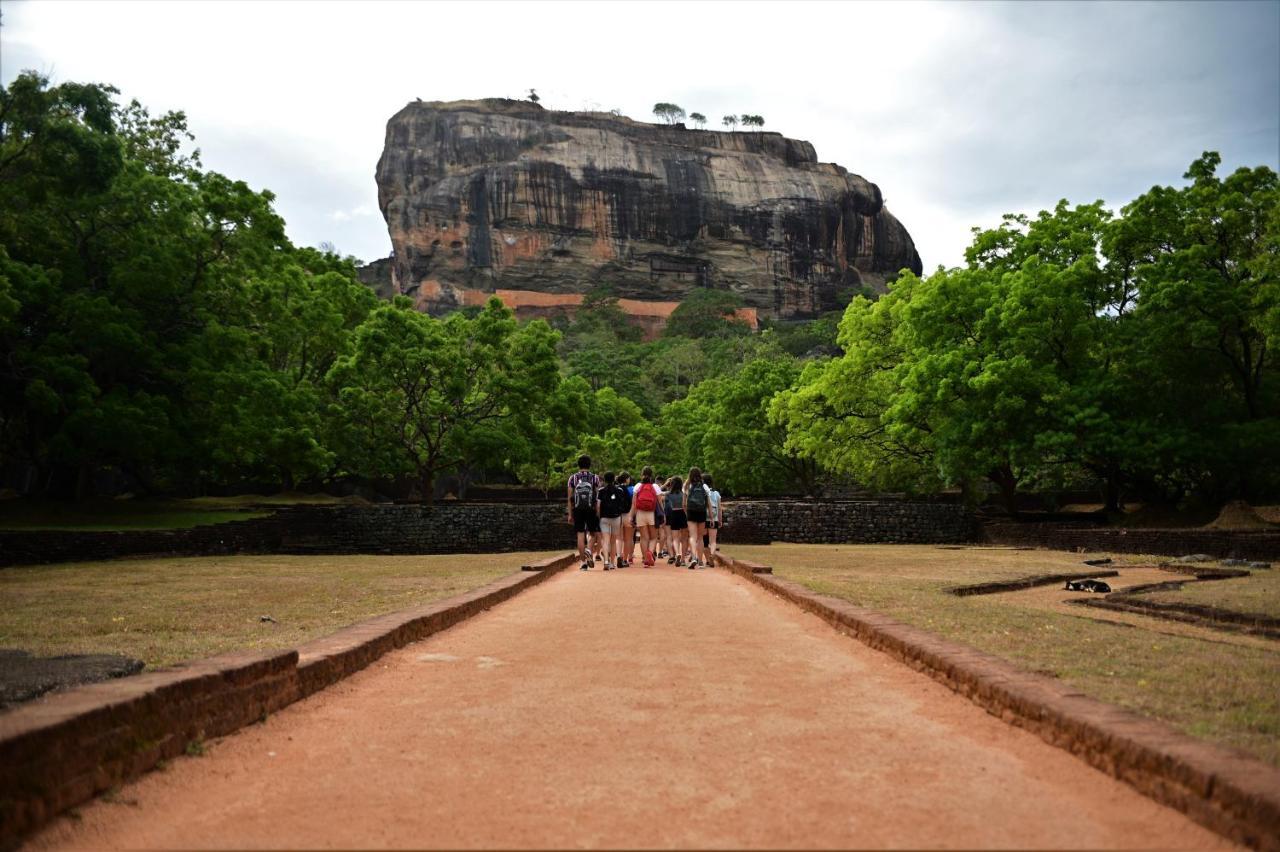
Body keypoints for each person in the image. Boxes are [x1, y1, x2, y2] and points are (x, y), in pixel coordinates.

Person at [567, 455, 601, 571]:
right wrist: (597, 511)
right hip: (591, 508)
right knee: (593, 533)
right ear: (589, 464)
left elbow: (569, 498)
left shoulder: (573, 478)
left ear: (579, 464)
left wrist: (570, 514)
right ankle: (589, 550)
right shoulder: (595, 478)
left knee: (580, 535)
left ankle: (583, 563)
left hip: (577, 509)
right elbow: (596, 497)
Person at [629, 466, 662, 567]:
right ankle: (650, 553)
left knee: (644, 537)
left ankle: (645, 559)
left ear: (641, 474)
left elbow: (634, 503)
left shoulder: (638, 486)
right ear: (652, 475)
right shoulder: (655, 486)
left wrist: (631, 516)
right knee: (653, 537)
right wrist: (662, 515)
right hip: (652, 513)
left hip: (640, 513)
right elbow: (660, 503)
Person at [596, 471, 628, 571]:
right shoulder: (619, 490)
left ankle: (605, 561)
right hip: (616, 518)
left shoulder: (601, 490)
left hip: (604, 518)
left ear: (604, 480)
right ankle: (612, 563)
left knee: (605, 540)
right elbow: (622, 505)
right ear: (614, 479)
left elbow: (598, 506)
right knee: (613, 541)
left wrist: (598, 516)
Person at [684, 467, 713, 568]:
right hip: (701, 512)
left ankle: (694, 557)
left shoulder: (687, 485)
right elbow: (708, 503)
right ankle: (700, 561)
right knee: (700, 537)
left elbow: (684, 503)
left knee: (692, 536)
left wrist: (686, 513)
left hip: (691, 512)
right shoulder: (704, 486)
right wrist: (712, 517)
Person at [665, 476, 687, 566]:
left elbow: (659, 492)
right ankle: (683, 559)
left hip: (673, 514)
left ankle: (677, 553)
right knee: (684, 538)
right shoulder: (684, 494)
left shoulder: (669, 494)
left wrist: (665, 484)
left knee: (675, 538)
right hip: (682, 513)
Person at [617, 471, 634, 567]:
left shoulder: (617, 489)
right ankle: (625, 559)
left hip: (617, 516)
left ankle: (619, 555)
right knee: (628, 539)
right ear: (626, 479)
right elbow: (631, 503)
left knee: (619, 538)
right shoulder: (628, 490)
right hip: (627, 515)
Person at [704, 473, 723, 557]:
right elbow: (719, 508)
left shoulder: (701, 493)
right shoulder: (716, 493)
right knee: (713, 541)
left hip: (703, 518)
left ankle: (707, 560)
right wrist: (720, 520)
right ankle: (712, 554)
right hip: (714, 518)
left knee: (704, 542)